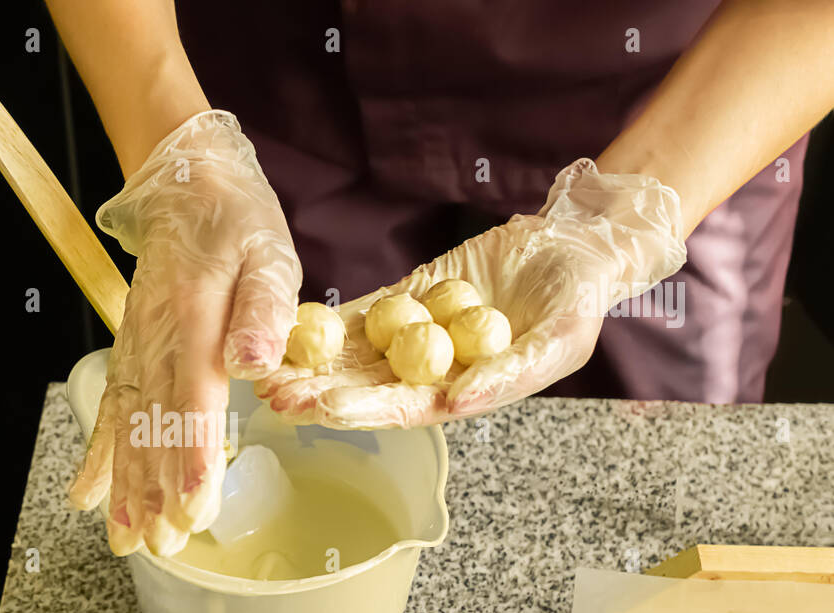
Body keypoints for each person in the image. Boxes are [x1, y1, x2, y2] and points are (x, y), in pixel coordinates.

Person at [53, 0, 834, 557]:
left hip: (683, 80)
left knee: (657, 504)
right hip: (301, 62)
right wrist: (171, 140)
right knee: (301, 397)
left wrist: (618, 219)